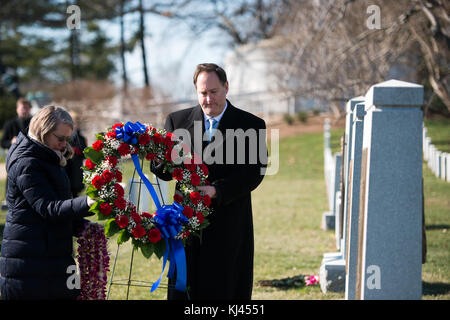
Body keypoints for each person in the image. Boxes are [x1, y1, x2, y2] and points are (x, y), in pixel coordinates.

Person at [151, 63, 267, 300]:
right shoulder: (176, 121)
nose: (208, 99)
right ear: (196, 91)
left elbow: (254, 173)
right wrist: (159, 157)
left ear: (226, 87)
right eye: (203, 93)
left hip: (229, 222)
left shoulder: (251, 125)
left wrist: (217, 190)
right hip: (185, 225)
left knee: (226, 288)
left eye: (213, 92)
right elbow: (161, 171)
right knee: (185, 289)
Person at [0, 105, 96, 300]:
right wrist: (87, 202)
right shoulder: (27, 162)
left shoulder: (48, 156)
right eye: (60, 138)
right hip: (29, 261)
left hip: (50, 254)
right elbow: (48, 207)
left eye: (67, 139)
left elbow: (60, 202)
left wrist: (84, 227)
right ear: (43, 131)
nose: (64, 144)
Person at [65, 111, 87, 197]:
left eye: (75, 123)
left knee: (75, 193)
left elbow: (84, 152)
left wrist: (76, 151)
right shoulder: (64, 137)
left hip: (76, 169)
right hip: (66, 168)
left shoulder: (81, 138)